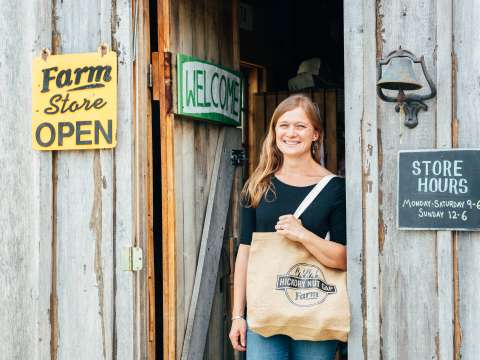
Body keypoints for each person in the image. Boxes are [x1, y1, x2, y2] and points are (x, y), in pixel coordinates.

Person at [229, 94, 347, 359]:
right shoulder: (258, 185)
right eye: (283, 125)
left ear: (315, 134)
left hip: (315, 310)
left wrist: (302, 234)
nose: (291, 133)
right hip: (264, 311)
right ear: (274, 132)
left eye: (300, 126)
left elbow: (344, 259)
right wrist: (238, 315)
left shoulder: (335, 189)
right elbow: (245, 252)